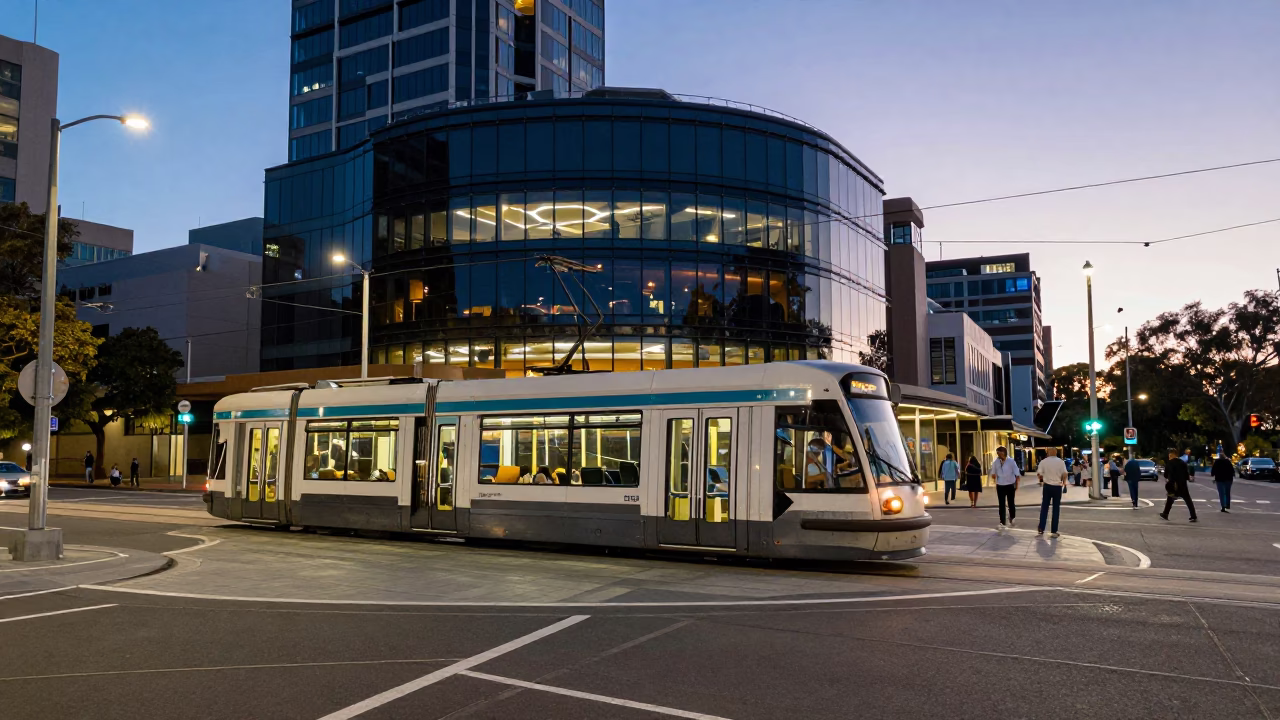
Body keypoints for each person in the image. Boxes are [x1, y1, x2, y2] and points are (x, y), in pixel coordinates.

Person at [1036, 446, 1068, 537]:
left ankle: (1041, 527)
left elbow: (1039, 474)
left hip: (1047, 486)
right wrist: (1064, 483)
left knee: (1044, 507)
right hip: (1057, 486)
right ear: (1056, 452)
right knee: (1056, 508)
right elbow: (1065, 473)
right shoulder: (1061, 462)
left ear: (1048, 453)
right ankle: (1054, 530)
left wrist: (1042, 480)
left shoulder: (1043, 462)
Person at [1161, 449, 1198, 522]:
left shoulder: (1169, 463)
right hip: (1183, 485)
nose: (1169, 456)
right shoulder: (1183, 463)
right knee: (1188, 500)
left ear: (1172, 455)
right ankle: (1193, 516)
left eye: (1170, 455)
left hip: (1173, 485)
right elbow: (1187, 475)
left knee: (1170, 499)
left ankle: (1165, 513)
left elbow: (1165, 475)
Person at [990, 446, 1021, 530]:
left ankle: (1012, 517)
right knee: (1001, 504)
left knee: (1011, 502)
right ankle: (1002, 521)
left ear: (1003, 453)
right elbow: (993, 473)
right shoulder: (996, 462)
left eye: (999, 453)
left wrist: (1017, 485)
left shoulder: (1011, 461)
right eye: (997, 453)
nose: (998, 454)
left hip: (1010, 484)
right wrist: (994, 476)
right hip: (1000, 485)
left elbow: (1017, 473)